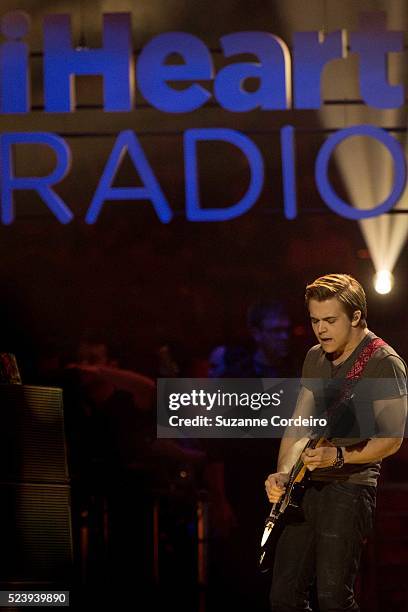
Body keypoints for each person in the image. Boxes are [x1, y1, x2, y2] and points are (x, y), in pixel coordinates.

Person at [265, 274, 407, 612]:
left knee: (332, 598)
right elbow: (299, 424)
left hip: (350, 488)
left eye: (330, 320)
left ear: (356, 317)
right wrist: (283, 474)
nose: (321, 329)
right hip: (304, 487)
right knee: (283, 597)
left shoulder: (384, 363)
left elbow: (391, 441)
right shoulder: (315, 356)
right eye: (315, 320)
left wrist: (338, 457)